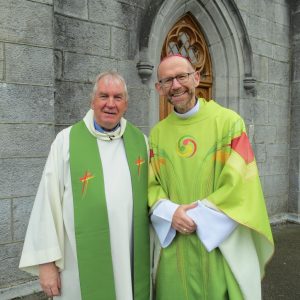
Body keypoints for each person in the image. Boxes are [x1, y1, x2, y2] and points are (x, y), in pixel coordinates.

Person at [148, 55, 274, 300]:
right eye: (167, 80)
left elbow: (241, 185)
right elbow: (151, 186)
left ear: (196, 78)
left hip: (218, 244)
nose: (175, 86)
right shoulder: (157, 134)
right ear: (159, 88)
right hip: (174, 245)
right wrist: (171, 213)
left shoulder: (229, 123)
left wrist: (195, 216)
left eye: (181, 76)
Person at [19, 71, 150, 300]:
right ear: (92, 101)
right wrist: (47, 264)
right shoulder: (67, 141)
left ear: (126, 104)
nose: (110, 104)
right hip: (79, 263)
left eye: (118, 97)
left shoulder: (140, 142)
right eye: (104, 96)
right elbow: (46, 204)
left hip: (129, 260)